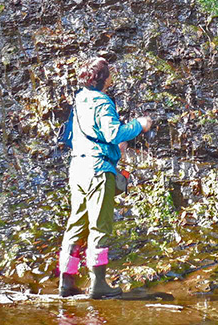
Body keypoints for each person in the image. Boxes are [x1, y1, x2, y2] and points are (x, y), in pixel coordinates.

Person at [57, 56, 153, 299]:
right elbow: (114, 133)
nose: (112, 76)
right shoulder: (102, 101)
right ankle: (98, 285)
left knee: (75, 224)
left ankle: (66, 283)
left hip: (77, 168)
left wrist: (111, 147)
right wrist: (139, 125)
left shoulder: (80, 99)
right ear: (104, 79)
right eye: (109, 73)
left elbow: (78, 135)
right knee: (100, 226)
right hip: (98, 170)